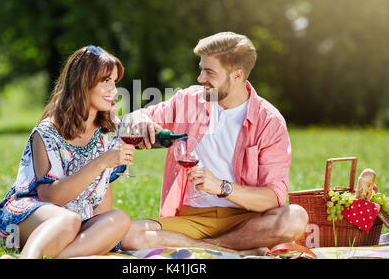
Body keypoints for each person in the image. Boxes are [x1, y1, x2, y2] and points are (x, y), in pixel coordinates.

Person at [121, 32, 309, 254]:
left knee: (294, 218)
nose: (200, 78)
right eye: (201, 69)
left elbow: (272, 198)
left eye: (209, 72)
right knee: (127, 234)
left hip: (247, 221)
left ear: (237, 75)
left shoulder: (269, 120)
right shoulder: (189, 100)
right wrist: (139, 120)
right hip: (193, 219)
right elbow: (137, 116)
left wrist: (222, 187)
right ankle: (236, 251)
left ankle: (210, 248)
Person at [0, 45, 135, 259]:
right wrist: (101, 162)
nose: (114, 91)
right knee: (66, 220)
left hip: (76, 222)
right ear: (83, 83)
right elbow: (49, 196)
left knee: (119, 220)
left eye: (114, 82)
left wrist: (102, 235)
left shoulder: (109, 131)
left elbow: (102, 191)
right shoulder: (47, 132)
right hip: (27, 217)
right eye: (106, 81)